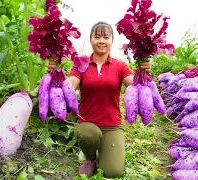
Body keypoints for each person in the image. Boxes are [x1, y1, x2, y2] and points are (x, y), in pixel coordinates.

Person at [47, 21, 151, 178]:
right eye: (97, 37)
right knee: (89, 135)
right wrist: (56, 74)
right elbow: (70, 87)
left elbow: (136, 86)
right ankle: (90, 158)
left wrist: (144, 73)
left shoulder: (120, 66)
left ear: (111, 41)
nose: (101, 41)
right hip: (87, 122)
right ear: (91, 40)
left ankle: (105, 149)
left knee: (112, 172)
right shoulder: (81, 65)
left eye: (106, 37)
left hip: (112, 125)